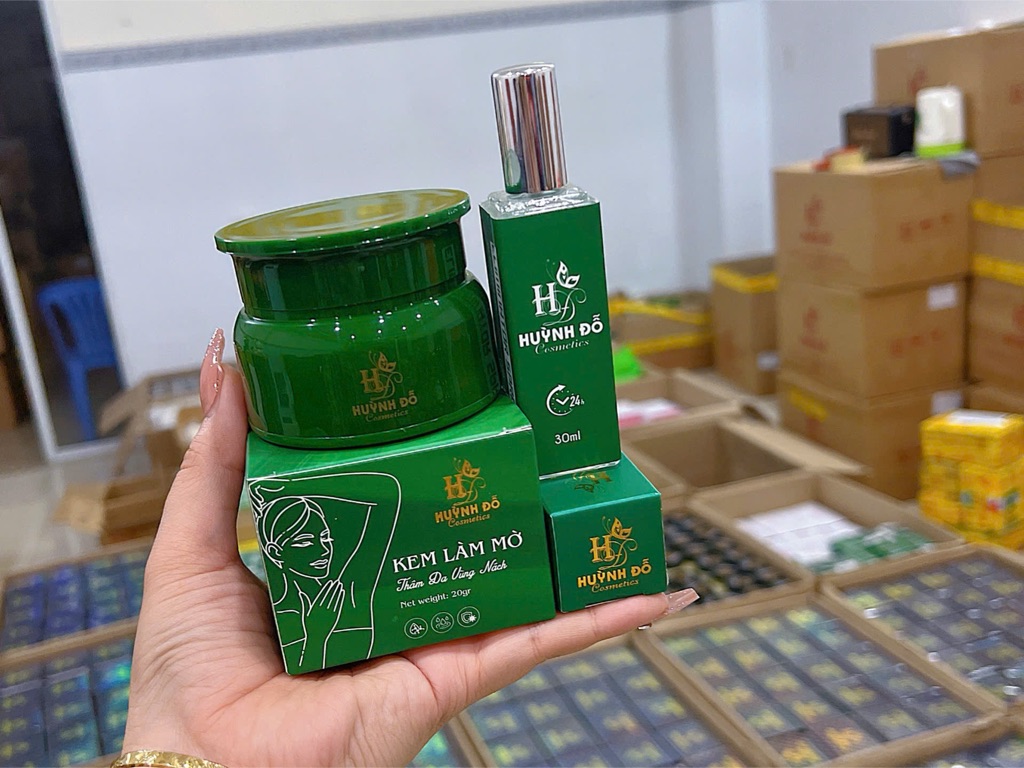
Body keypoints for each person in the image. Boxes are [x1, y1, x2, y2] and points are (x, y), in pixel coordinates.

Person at [116, 330, 698, 768]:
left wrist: (304, 495)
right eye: (303, 539)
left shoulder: (354, 580)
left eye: (324, 533)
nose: (321, 545)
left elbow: (383, 493)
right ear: (278, 550)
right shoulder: (289, 617)